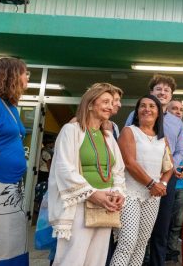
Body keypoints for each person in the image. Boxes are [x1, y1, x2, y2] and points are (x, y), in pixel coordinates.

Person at [48, 83, 126, 266]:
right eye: (105, 101)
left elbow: (118, 170)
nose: (110, 106)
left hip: (106, 204)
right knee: (72, 258)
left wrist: (117, 193)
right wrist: (93, 194)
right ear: (90, 104)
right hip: (78, 205)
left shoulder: (108, 136)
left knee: (97, 260)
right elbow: (64, 168)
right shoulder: (71, 130)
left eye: (111, 102)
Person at [124, 74, 183, 266]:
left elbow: (180, 150)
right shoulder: (136, 115)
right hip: (139, 178)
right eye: (158, 89)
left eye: (167, 90)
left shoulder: (176, 122)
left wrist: (168, 172)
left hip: (166, 180)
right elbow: (127, 144)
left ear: (171, 95)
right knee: (134, 229)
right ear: (151, 92)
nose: (162, 92)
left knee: (161, 227)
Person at [0, 57, 31, 265]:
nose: (27, 77)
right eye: (24, 72)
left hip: (11, 185)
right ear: (9, 75)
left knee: (13, 238)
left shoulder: (10, 106)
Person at [111, 95, 169, 266]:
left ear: (158, 112)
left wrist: (162, 184)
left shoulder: (162, 138)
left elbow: (169, 166)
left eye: (152, 106)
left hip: (152, 197)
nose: (147, 109)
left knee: (142, 243)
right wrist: (152, 184)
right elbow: (129, 162)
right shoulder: (129, 131)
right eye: (142, 106)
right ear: (137, 111)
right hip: (130, 193)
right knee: (127, 242)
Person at [166, 99, 183, 262]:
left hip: (180, 184)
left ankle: (172, 251)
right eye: (174, 108)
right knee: (162, 222)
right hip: (163, 181)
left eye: (181, 109)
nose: (178, 111)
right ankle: (149, 255)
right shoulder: (164, 128)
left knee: (177, 222)